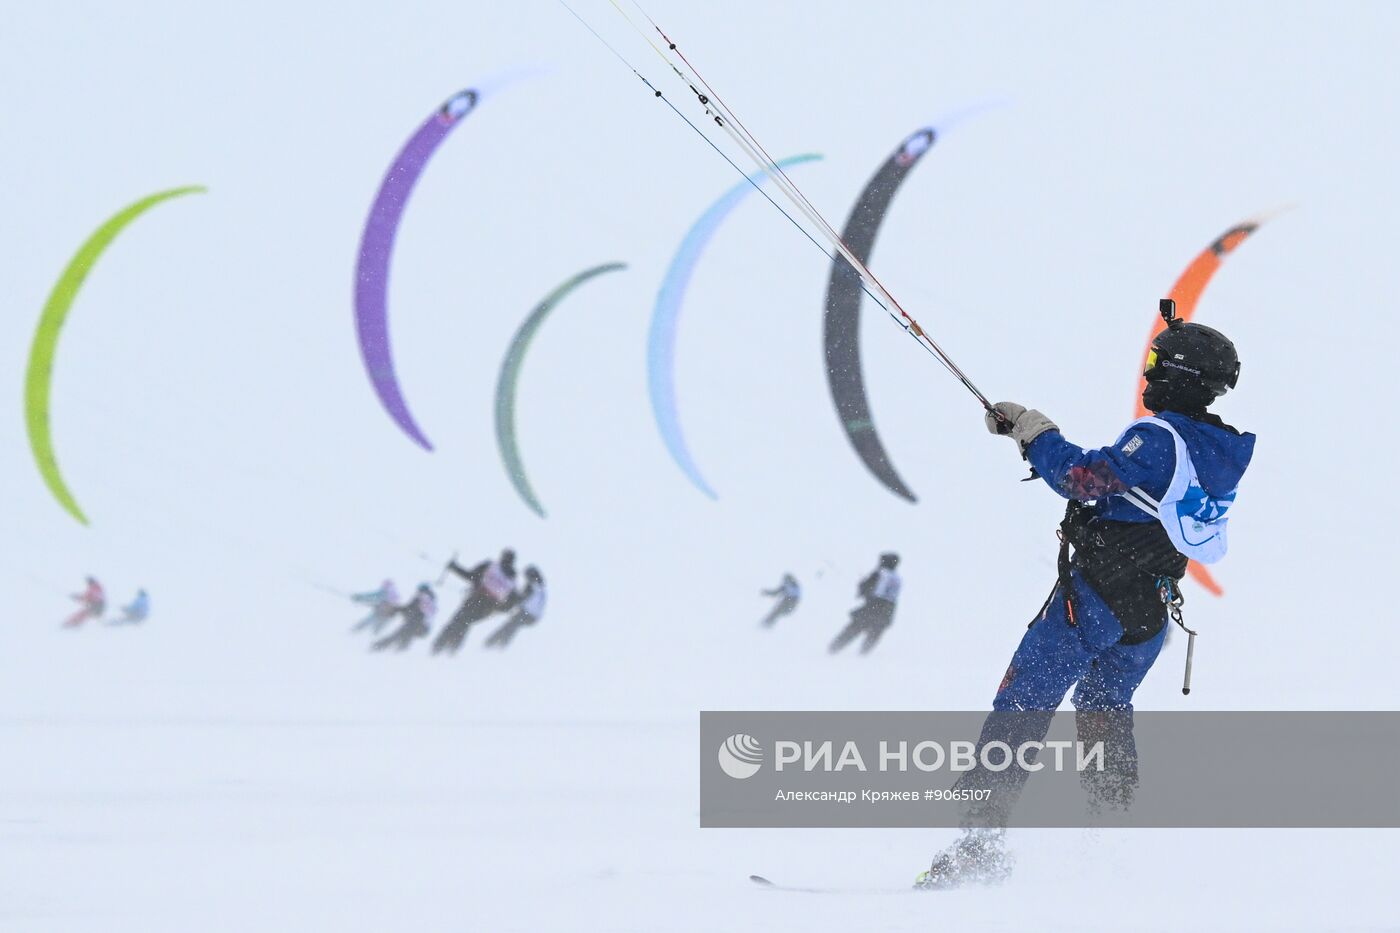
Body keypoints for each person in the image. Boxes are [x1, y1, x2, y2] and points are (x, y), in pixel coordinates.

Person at [917, 303, 1255, 889]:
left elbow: (1081, 480)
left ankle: (978, 847)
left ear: (1181, 376)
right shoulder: (1220, 449)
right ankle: (1108, 850)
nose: (1147, 375)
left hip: (1094, 602)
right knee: (1104, 712)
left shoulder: (1158, 438)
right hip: (1148, 616)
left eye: (1157, 365)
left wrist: (1034, 433)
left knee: (1023, 704)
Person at [431, 550, 518, 655]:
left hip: (476, 599)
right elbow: (512, 601)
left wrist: (454, 567)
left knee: (457, 622)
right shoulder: (513, 580)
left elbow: (471, 576)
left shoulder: (491, 566)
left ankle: (437, 649)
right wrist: (498, 609)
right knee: (465, 624)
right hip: (488, 608)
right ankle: (451, 651)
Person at [828, 554, 901, 654]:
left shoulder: (880, 573)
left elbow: (865, 589)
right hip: (888, 610)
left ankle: (831, 651)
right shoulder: (897, 578)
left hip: (873, 607)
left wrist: (862, 587)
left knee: (853, 630)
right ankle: (863, 657)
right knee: (873, 635)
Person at [484, 566, 546, 649]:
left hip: (526, 613)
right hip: (534, 617)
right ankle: (498, 644)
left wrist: (509, 602)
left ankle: (490, 644)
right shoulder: (541, 588)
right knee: (512, 626)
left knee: (509, 626)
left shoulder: (531, 586)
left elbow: (521, 598)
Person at [371, 584, 437, 652]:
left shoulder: (421, 598)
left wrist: (395, 609)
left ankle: (377, 647)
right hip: (423, 628)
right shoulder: (431, 600)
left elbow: (409, 610)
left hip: (416, 624)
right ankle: (399, 651)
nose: (417, 592)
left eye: (418, 591)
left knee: (397, 635)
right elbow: (411, 610)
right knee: (404, 637)